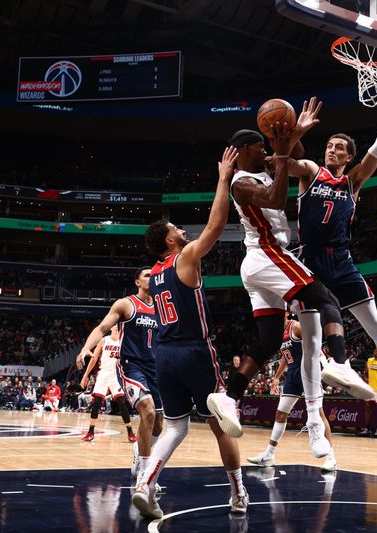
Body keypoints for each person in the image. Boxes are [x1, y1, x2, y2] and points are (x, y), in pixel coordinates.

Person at [207, 98, 362, 462]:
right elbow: (277, 201)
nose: (265, 148)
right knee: (325, 298)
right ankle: (339, 362)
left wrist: (295, 132)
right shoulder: (242, 184)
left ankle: (229, 397)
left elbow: (298, 151)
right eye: (260, 145)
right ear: (246, 149)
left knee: (267, 341)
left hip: (259, 264)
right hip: (267, 254)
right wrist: (279, 155)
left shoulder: (265, 162)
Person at [285, 96, 377, 425]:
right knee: (311, 338)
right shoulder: (311, 172)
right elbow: (283, 161)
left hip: (341, 260)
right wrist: (295, 133)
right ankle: (314, 413)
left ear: (349, 156)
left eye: (340, 148)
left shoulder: (352, 181)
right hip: (309, 260)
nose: (332, 150)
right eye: (329, 145)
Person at [134, 146, 248, 518]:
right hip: (194, 352)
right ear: (169, 241)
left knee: (176, 428)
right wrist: (222, 178)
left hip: (162, 356)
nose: (183, 231)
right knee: (221, 425)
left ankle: (144, 484)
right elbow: (216, 227)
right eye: (176, 230)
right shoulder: (185, 258)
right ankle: (238, 494)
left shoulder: (155, 275)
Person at [75, 268, 163, 485]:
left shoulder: (163, 307)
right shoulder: (126, 304)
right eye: (147, 275)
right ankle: (144, 472)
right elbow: (102, 327)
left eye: (154, 275)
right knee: (148, 412)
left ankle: (138, 448)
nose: (152, 278)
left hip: (156, 367)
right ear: (137, 281)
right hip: (131, 365)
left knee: (158, 425)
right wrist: (86, 348)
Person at [246, 317, 337, 472]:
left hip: (308, 373)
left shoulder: (296, 327)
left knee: (320, 414)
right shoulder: (279, 333)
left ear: (286, 313)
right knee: (280, 414)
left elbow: (315, 346)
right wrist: (276, 377)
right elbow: (285, 356)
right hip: (292, 375)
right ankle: (269, 454)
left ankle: (331, 458)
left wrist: (326, 366)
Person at [80, 325, 137, 443]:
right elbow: (94, 358)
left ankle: (130, 432)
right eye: (114, 325)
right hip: (104, 372)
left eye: (118, 325)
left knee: (122, 403)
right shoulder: (104, 340)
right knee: (96, 402)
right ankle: (91, 432)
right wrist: (85, 376)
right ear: (110, 328)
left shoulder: (124, 341)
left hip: (117, 374)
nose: (116, 326)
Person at [360, 348, 377, 437]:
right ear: (373, 352)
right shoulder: (369, 361)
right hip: (370, 389)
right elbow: (365, 374)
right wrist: (366, 379)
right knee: (367, 407)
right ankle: (367, 428)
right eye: (376, 351)